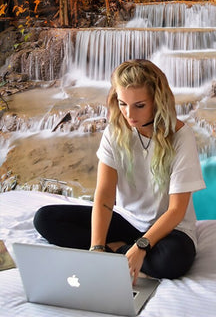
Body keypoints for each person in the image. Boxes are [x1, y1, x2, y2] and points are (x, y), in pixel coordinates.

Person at [34, 59, 206, 280]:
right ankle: (114, 250)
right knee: (46, 219)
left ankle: (117, 250)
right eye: (123, 103)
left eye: (139, 105)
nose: (129, 114)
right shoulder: (114, 132)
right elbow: (105, 197)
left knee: (171, 261)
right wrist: (96, 248)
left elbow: (176, 211)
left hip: (170, 230)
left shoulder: (182, 137)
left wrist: (141, 247)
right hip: (128, 221)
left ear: (157, 100)